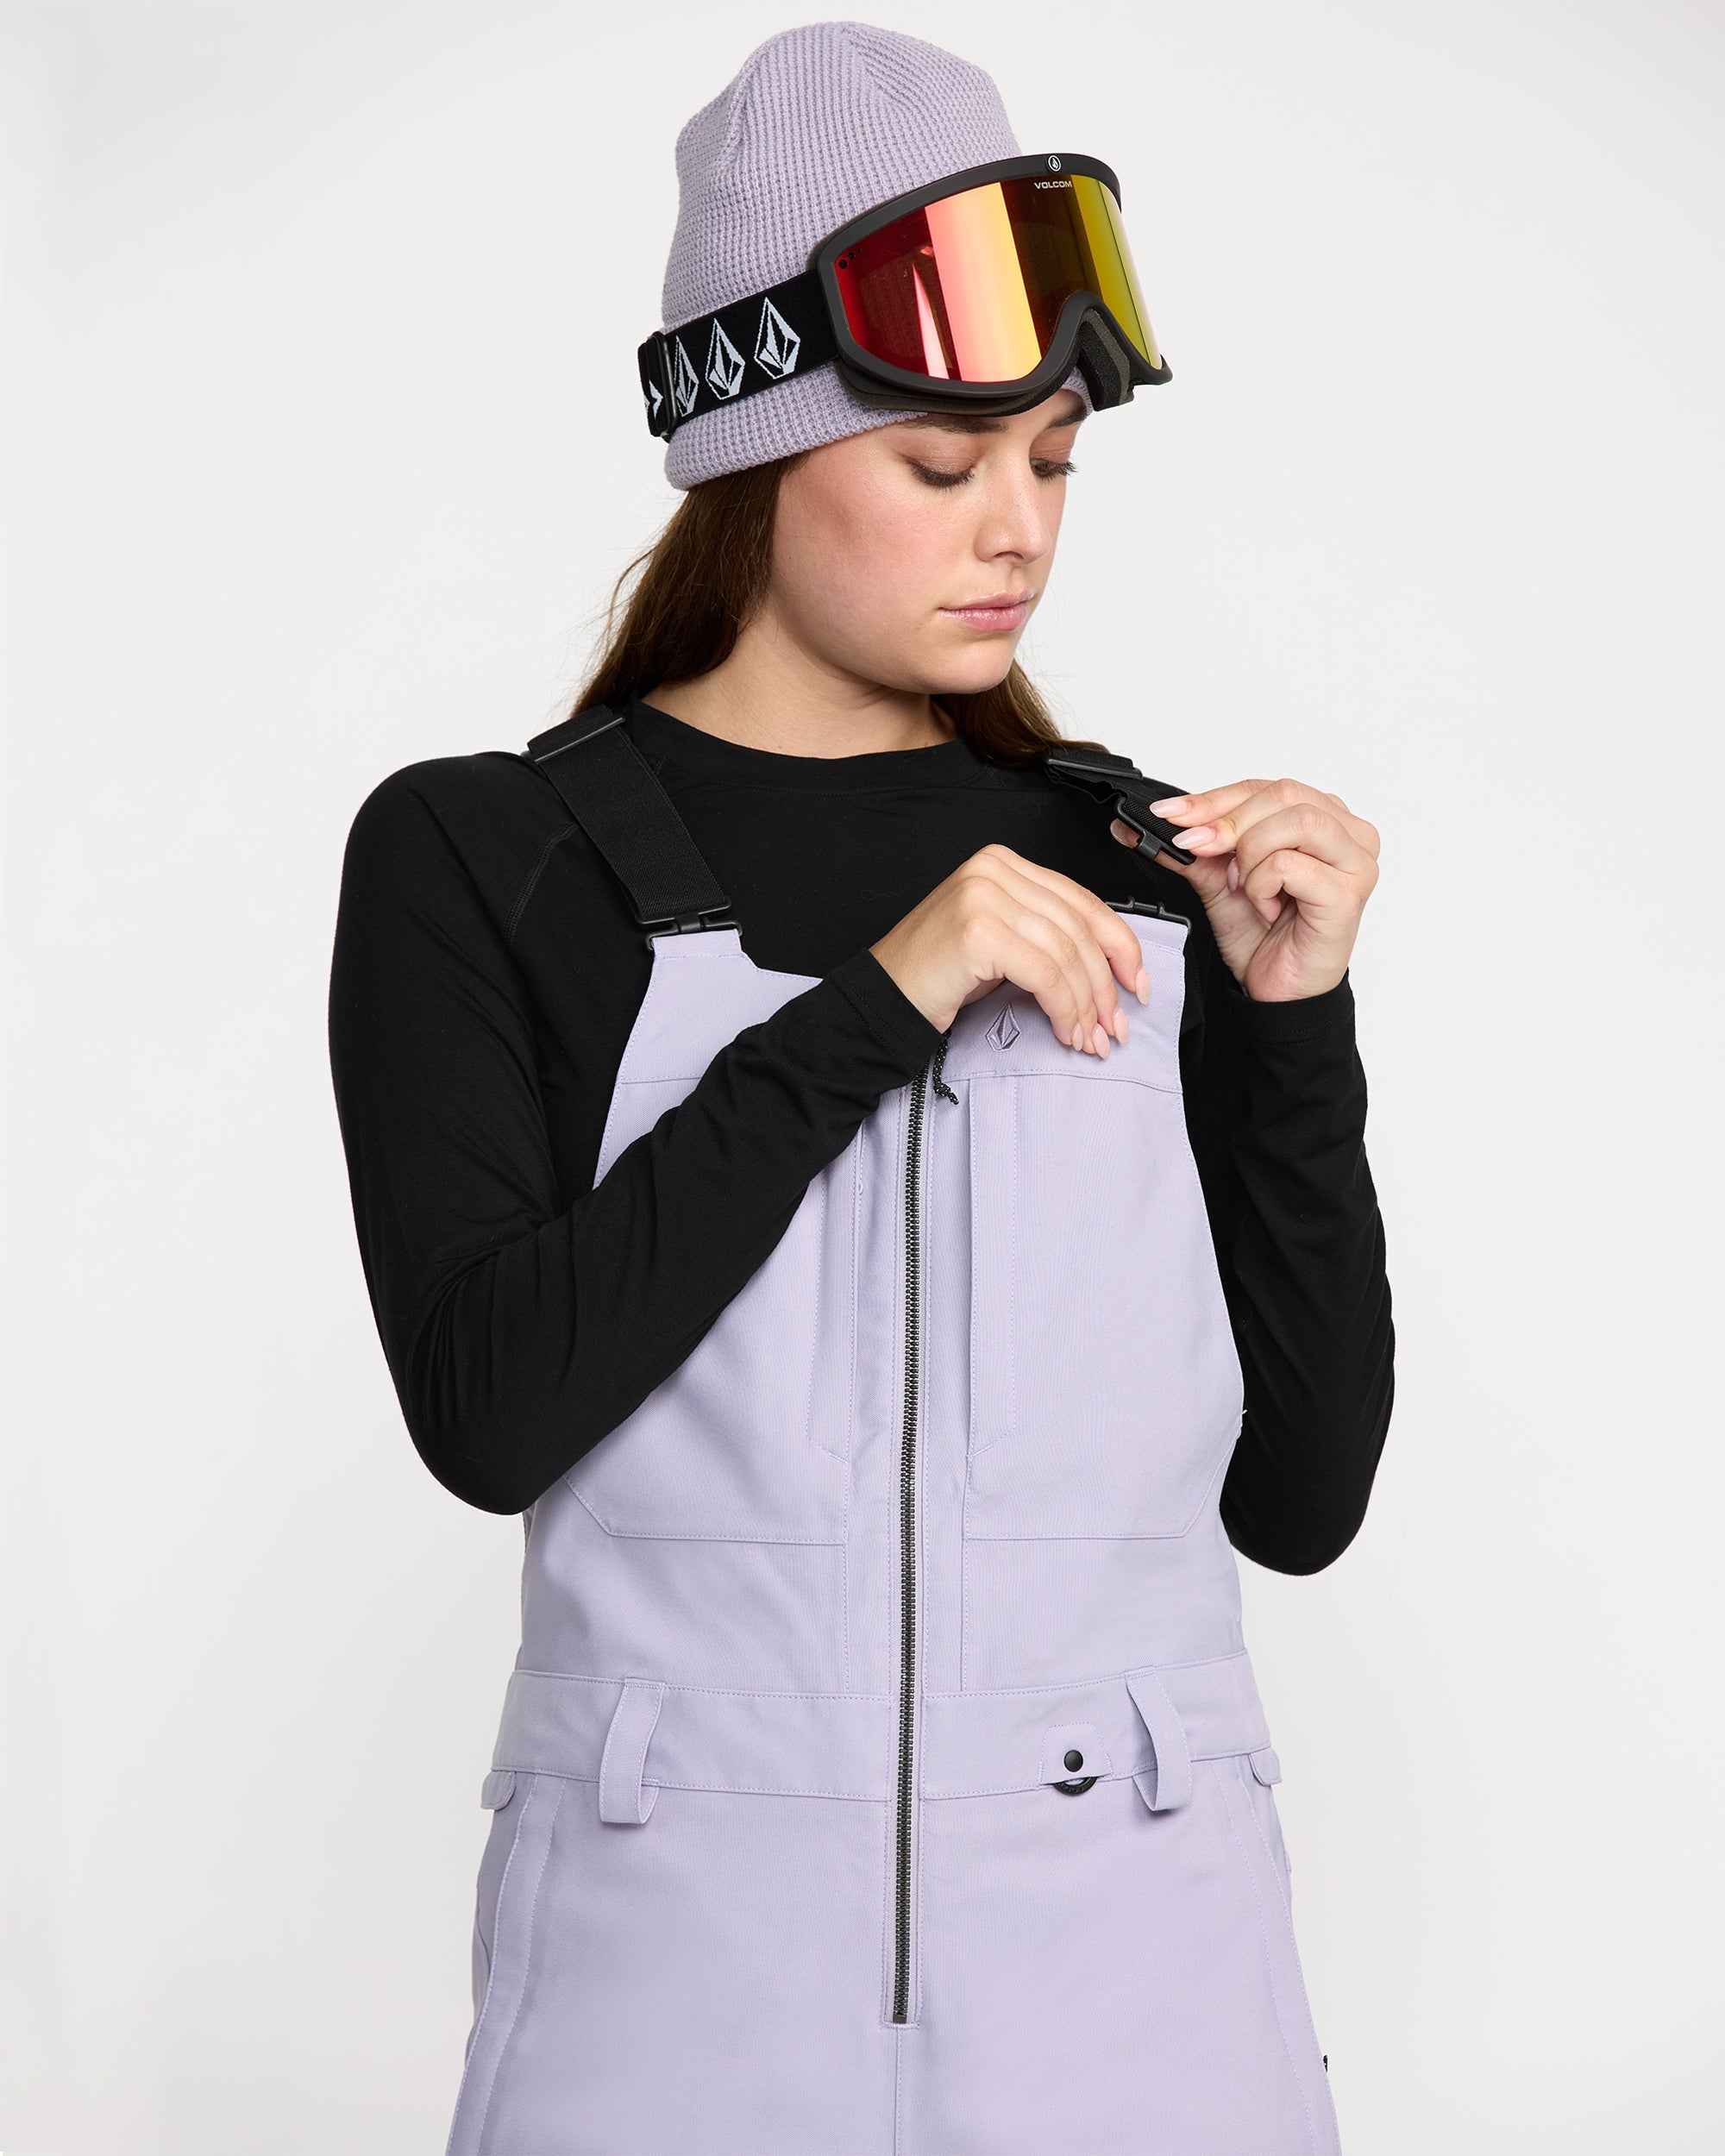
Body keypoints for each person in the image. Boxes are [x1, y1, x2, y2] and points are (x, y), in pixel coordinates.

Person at [327, 22, 1393, 2154]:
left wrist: (1292, 1025)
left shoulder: (1144, 864)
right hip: (671, 1999)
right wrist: (880, 999)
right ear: (751, 446)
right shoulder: (485, 852)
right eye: (939, 465)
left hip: (1140, 1986)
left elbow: (1301, 1499)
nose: (1017, 532)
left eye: (1053, 464)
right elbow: (488, 1406)